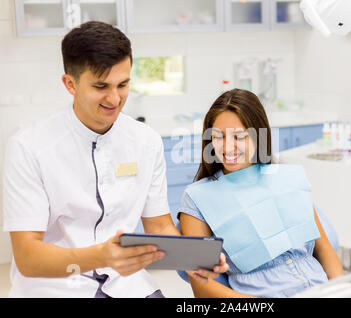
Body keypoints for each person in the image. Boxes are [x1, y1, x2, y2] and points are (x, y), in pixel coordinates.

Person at [2, 21, 228, 298]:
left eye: (123, 84)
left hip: (125, 283)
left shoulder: (145, 141)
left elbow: (158, 226)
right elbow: (28, 257)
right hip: (55, 286)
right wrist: (101, 256)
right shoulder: (29, 147)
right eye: (101, 86)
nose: (114, 98)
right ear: (70, 83)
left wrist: (195, 260)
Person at [178, 89, 344, 298]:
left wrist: (340, 291)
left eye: (239, 137)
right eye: (218, 137)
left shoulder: (286, 177)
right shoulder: (197, 198)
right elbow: (202, 288)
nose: (228, 147)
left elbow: (325, 250)